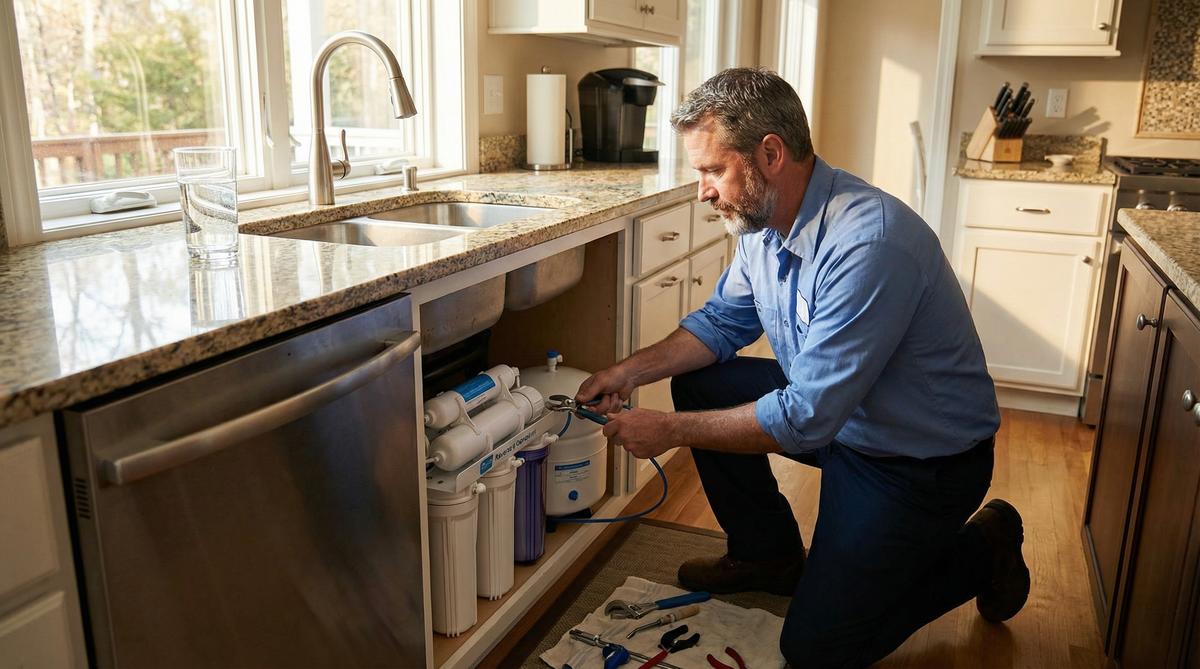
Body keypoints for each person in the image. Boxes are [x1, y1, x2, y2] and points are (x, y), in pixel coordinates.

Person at [574, 68, 1027, 668]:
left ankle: (986, 543)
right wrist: (631, 371)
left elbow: (804, 418)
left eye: (713, 170)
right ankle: (768, 555)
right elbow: (721, 326)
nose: (703, 191)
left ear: (769, 153)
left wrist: (670, 431)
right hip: (846, 422)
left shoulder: (869, 243)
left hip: (918, 462)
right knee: (702, 380)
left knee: (817, 649)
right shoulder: (763, 224)